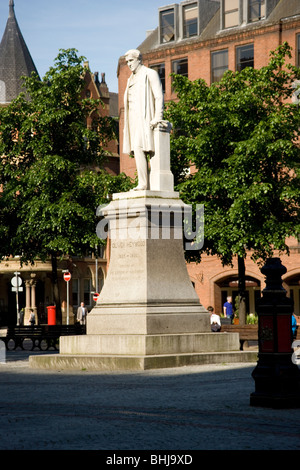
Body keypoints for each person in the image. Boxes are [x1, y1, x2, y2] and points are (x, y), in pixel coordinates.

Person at [123, 49, 164, 191]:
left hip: (146, 118)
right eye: (127, 62)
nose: (129, 64)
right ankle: (143, 183)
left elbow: (159, 96)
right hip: (133, 120)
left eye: (131, 60)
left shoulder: (150, 74)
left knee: (142, 148)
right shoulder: (130, 79)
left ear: (139, 59)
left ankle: (145, 184)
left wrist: (158, 117)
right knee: (136, 149)